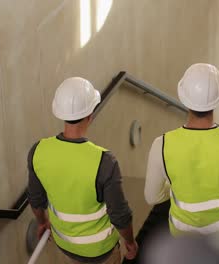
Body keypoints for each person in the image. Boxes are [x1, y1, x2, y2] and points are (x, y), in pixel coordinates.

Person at [27, 77, 138, 263]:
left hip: (64, 245)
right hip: (101, 252)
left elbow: (36, 199)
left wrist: (42, 222)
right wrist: (130, 242)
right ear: (90, 115)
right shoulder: (104, 161)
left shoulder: (38, 151)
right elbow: (119, 214)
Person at [144, 63, 219, 236]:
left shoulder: (160, 145)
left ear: (183, 97)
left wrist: (176, 187)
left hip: (183, 239)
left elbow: (151, 197)